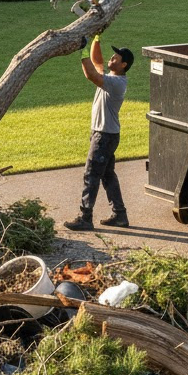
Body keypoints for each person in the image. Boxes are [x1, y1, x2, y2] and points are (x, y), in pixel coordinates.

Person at [63, 34, 134, 231]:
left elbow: (91, 74)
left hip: (104, 136)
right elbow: (97, 62)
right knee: (107, 175)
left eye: (116, 58)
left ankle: (85, 218)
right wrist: (96, 37)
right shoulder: (112, 77)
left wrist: (81, 49)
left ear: (124, 65)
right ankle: (120, 216)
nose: (112, 58)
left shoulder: (116, 83)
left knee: (91, 174)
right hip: (106, 134)